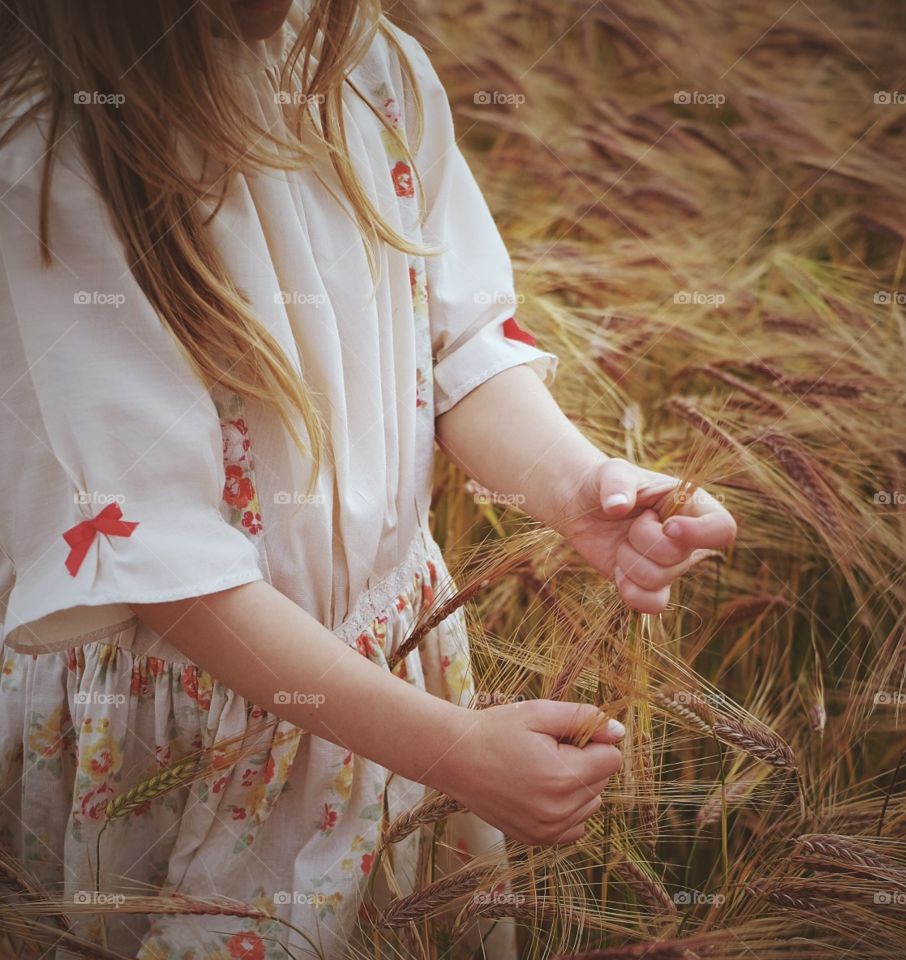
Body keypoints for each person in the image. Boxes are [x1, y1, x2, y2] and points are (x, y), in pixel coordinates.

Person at [0, 0, 737, 956]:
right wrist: (449, 748)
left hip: (399, 680)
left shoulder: (366, 66)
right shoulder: (54, 151)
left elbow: (456, 346)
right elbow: (160, 561)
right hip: (191, 730)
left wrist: (578, 486)